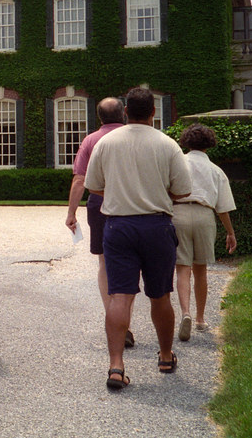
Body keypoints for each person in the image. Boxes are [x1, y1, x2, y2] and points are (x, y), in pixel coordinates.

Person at [84, 87, 192, 391]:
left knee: (120, 295)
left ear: (126, 111)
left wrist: (121, 195)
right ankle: (166, 356)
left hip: (118, 226)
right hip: (157, 226)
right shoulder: (168, 144)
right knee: (160, 295)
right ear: (154, 112)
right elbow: (183, 190)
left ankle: (116, 366)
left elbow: (93, 186)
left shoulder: (107, 142)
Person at [65, 97, 136, 348]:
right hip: (132, 204)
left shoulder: (91, 140)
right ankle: (124, 321)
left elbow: (79, 179)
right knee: (130, 262)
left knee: (105, 262)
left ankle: (113, 317)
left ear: (99, 117)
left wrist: (72, 212)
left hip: (99, 203)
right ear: (123, 114)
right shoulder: (136, 137)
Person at [173, 123, 237, 341]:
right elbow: (224, 207)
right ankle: (200, 319)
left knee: (182, 268)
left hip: (178, 213)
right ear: (209, 144)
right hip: (204, 215)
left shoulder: (178, 162)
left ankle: (185, 313)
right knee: (200, 269)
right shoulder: (216, 170)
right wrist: (230, 232)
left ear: (186, 142)